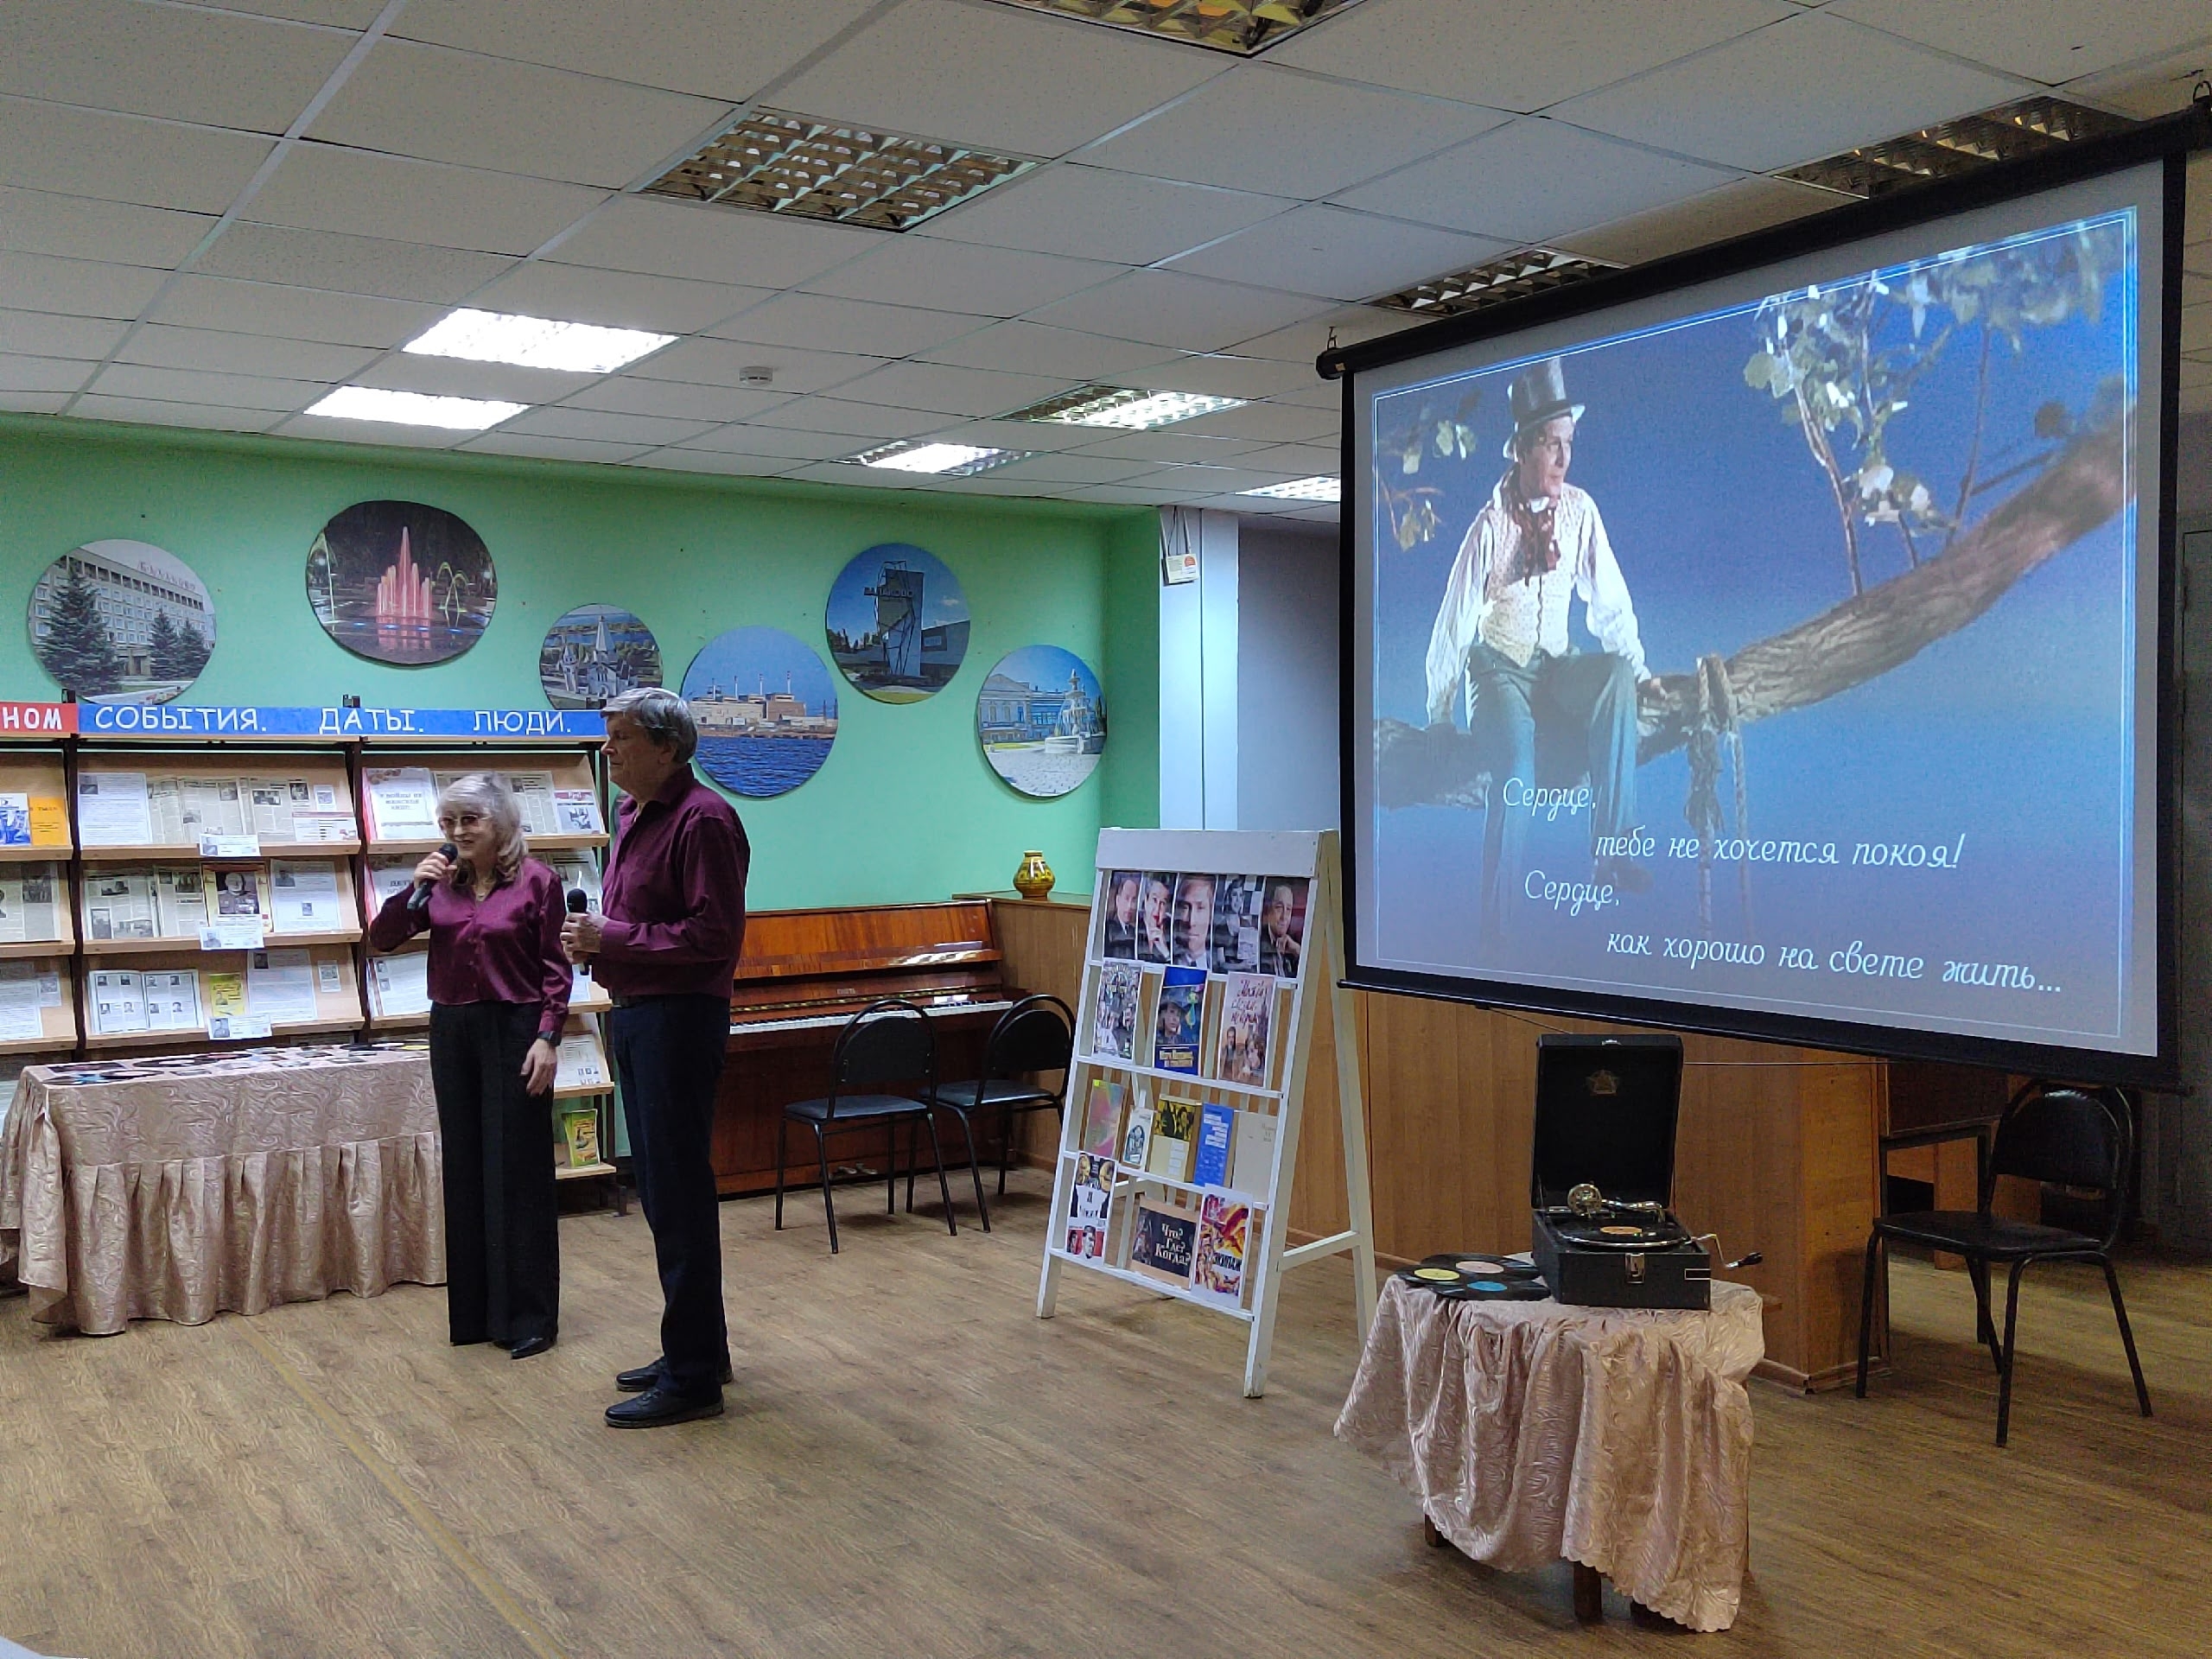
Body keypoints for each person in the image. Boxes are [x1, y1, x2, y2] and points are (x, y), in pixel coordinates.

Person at [561, 687, 749, 1429]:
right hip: (638, 1015)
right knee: (664, 1194)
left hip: (680, 1020)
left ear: (667, 749)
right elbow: (638, 916)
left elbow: (713, 938)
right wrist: (596, 938)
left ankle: (693, 1378)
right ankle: (700, 1350)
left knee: (677, 1193)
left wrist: (613, 939)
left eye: (621, 738)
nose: (607, 750)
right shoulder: (630, 812)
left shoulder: (705, 820)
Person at [1423, 355, 1652, 944]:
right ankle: (1496, 930)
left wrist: (1639, 672)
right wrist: (1440, 712)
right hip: (1497, 670)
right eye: (1552, 444)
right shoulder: (1490, 525)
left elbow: (1609, 601)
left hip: (1554, 666)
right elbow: (1454, 622)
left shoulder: (1580, 510)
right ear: (1523, 449)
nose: (1563, 457)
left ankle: (1612, 851)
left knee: (1616, 675)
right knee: (1517, 772)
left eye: (1568, 444)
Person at [367, 773, 570, 1361]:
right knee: (466, 1165)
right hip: (453, 1029)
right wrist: (414, 888)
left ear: (499, 822)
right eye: (448, 822)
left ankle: (529, 1316)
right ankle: (478, 1313)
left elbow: (555, 967)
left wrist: (548, 1036)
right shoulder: (441, 885)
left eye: (469, 820)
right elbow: (383, 938)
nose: (457, 832)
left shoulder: (538, 881)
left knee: (517, 1170)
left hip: (517, 1029)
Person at [1172, 873, 1215, 969]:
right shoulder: (1167, 959)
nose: (1192, 922)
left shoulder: (1219, 965)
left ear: (1211, 913)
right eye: (1185, 907)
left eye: (1200, 908)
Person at [1137, 871, 1174, 964]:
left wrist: (1166, 953)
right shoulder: (1134, 927)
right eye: (1154, 900)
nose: (1157, 909)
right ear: (1146, 900)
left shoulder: (1172, 934)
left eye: (1163, 903)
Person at [1102, 870, 1141, 958]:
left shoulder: (1134, 931)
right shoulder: (1107, 929)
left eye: (1134, 900)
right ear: (1118, 900)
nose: (1130, 906)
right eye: (1126, 898)